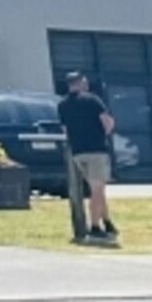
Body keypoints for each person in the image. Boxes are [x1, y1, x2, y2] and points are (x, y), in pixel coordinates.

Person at [57, 71, 119, 245]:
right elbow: (107, 121)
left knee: (96, 188)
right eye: (84, 81)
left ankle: (108, 223)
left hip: (78, 152)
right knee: (97, 191)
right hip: (96, 149)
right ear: (80, 82)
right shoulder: (93, 100)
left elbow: (65, 130)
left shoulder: (62, 105)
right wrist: (104, 134)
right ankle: (95, 227)